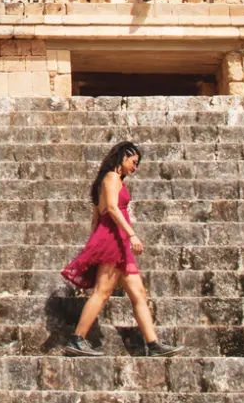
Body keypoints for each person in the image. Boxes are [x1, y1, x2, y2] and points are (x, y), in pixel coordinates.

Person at [61, 141, 184, 357]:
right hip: (113, 241)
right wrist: (131, 234)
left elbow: (95, 218)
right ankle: (77, 338)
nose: (134, 168)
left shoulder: (110, 180)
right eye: (133, 162)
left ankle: (153, 344)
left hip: (118, 242)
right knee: (102, 291)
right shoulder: (111, 178)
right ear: (122, 157)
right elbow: (110, 208)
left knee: (139, 293)